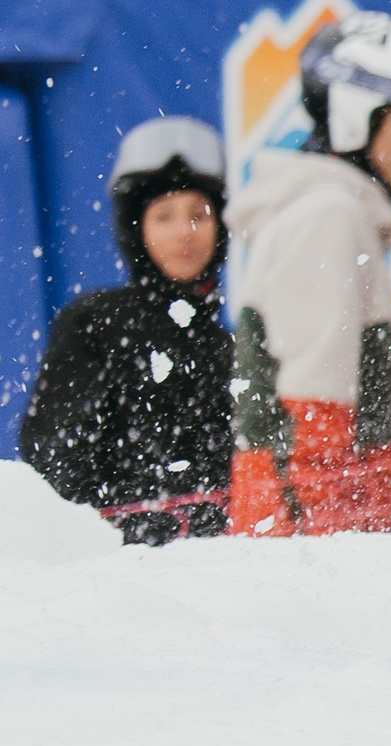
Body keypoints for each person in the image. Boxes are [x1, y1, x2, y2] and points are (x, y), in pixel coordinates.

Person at [227, 13, 391, 536]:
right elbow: (312, 422)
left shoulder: (331, 212)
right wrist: (340, 558)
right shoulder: (327, 216)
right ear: (358, 117)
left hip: (344, 539)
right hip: (322, 549)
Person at [18, 118, 233, 542]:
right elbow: (54, 457)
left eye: (199, 214)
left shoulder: (230, 346)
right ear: (137, 232)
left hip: (223, 573)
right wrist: (130, 526)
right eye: (164, 217)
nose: (184, 233)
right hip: (120, 576)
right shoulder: (95, 324)